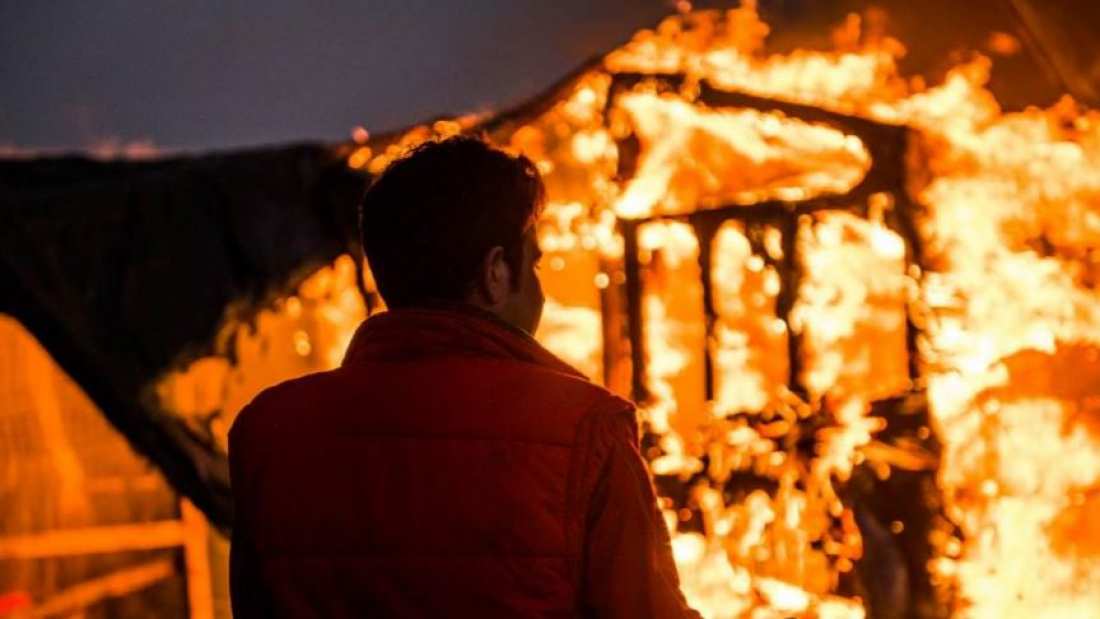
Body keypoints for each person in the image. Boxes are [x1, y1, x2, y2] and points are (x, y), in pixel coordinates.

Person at [228, 136, 701, 618]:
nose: (540, 291)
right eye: (533, 263)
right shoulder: (587, 430)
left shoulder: (269, 432)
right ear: (496, 272)